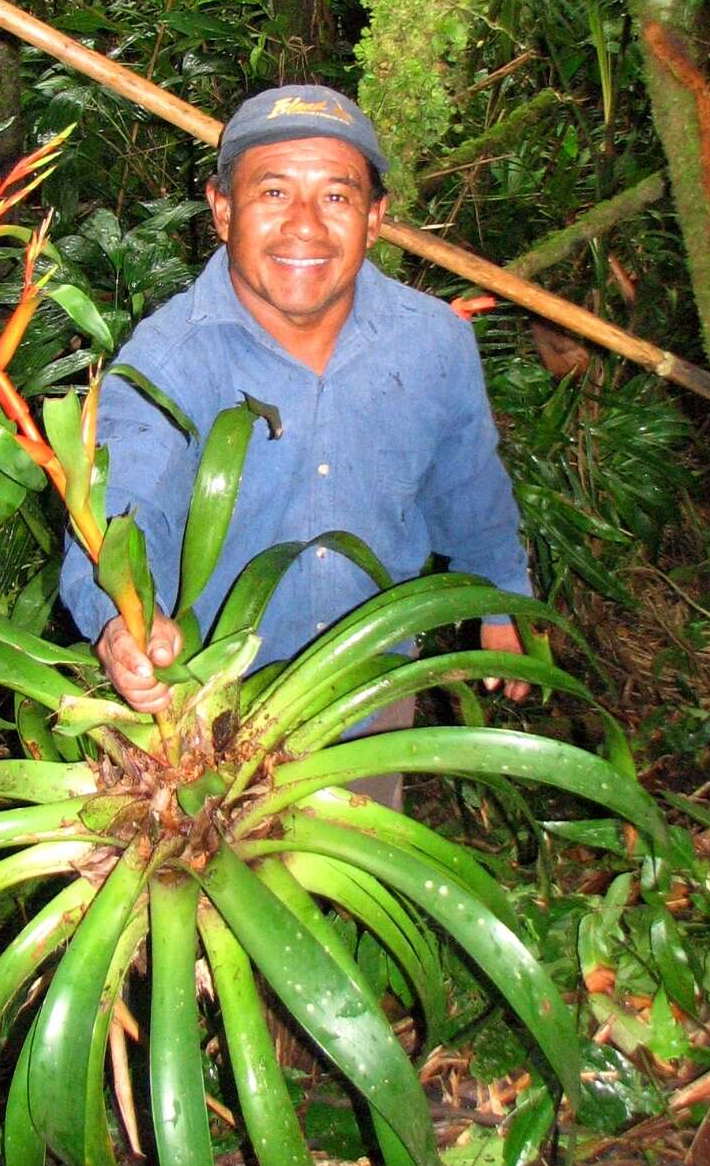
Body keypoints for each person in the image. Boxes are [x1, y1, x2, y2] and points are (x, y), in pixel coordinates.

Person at [59, 85, 531, 769]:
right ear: (222, 210)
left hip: (370, 703)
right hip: (204, 723)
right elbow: (123, 514)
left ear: (375, 218)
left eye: (336, 197)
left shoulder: (432, 344)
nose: (305, 225)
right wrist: (124, 624)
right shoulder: (168, 361)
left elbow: (468, 490)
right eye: (273, 193)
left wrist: (501, 598)